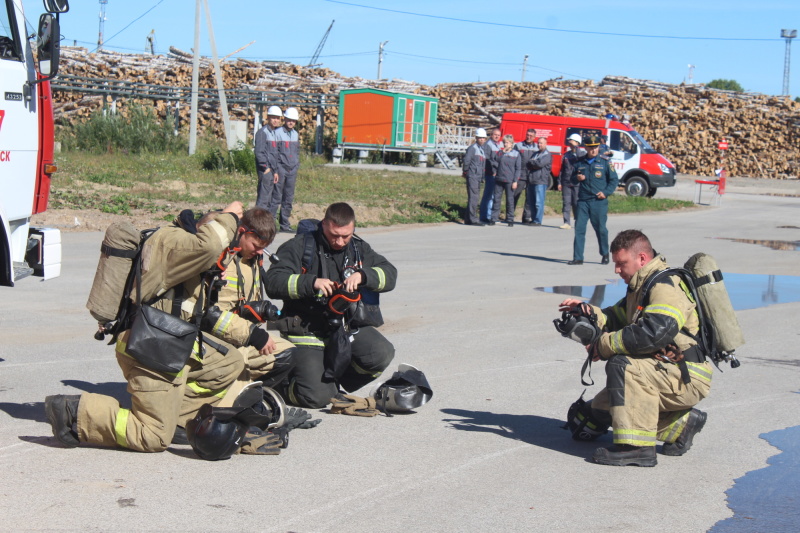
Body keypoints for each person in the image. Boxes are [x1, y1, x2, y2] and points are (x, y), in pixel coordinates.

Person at [45, 202, 249, 452]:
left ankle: (175, 418)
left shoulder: (188, 253)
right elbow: (209, 246)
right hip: (149, 347)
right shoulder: (173, 243)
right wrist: (230, 217)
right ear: (206, 229)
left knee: (228, 364)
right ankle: (75, 412)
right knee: (152, 437)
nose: (226, 257)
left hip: (171, 340)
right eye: (226, 247)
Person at [558, 229, 712, 467]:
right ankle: (682, 425)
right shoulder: (642, 286)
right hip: (664, 371)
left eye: (621, 263)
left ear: (642, 259)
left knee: (622, 365)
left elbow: (652, 334)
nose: (616, 270)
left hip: (686, 375)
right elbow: (614, 317)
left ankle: (636, 448)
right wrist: (588, 312)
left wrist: (603, 346)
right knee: (594, 414)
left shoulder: (665, 286)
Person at [265, 202, 397, 408]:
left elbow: (390, 274)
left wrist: (364, 275)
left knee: (381, 353)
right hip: (306, 329)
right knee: (317, 398)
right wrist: (310, 282)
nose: (340, 241)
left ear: (353, 228)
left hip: (342, 326)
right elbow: (273, 282)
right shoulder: (299, 246)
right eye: (334, 235)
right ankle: (281, 385)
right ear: (324, 224)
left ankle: (332, 384)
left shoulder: (357, 247)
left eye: (346, 235)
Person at [199, 207, 296, 394]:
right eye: (256, 246)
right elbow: (207, 314)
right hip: (214, 338)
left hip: (243, 335)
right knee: (235, 364)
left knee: (287, 353)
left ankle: (256, 399)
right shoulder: (219, 258)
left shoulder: (252, 260)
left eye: (264, 247)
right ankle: (238, 402)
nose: (260, 252)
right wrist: (252, 335)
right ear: (242, 232)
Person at [568, 134, 619, 265]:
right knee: (579, 229)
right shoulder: (579, 162)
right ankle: (578, 257)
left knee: (601, 229)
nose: (594, 150)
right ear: (585, 148)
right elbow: (572, 179)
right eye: (591, 148)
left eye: (596, 147)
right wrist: (577, 179)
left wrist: (606, 193)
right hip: (583, 200)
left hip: (598, 201)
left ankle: (605, 253)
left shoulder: (605, 161)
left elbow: (614, 180)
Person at [269, 107, 300, 233]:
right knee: (276, 197)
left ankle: (284, 224)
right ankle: (271, 224)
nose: (291, 122)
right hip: (281, 168)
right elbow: (274, 152)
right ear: (285, 119)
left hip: (292, 170)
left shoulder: (295, 134)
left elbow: (297, 151)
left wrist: (296, 165)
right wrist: (276, 169)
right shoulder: (277, 133)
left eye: (293, 120)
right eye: (289, 120)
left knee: (288, 197)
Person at [255, 106, 283, 210]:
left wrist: (275, 171)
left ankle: (266, 224)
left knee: (271, 200)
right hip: (266, 171)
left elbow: (274, 154)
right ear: (268, 118)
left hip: (273, 171)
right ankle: (257, 223)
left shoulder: (275, 133)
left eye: (278, 118)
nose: (276, 120)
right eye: (273, 118)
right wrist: (265, 168)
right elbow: (259, 152)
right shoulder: (263, 133)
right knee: (263, 200)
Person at [490, 134, 521, 227]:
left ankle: (510, 219)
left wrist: (515, 181)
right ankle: (494, 218)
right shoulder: (500, 152)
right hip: (499, 179)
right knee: (496, 199)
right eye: (504, 142)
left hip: (510, 180)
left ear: (511, 144)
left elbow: (518, 168)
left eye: (507, 142)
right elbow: (495, 162)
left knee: (510, 200)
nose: (505, 144)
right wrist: (495, 171)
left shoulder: (516, 154)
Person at [462, 128, 488, 226]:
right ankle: (473, 219)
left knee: (473, 197)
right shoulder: (472, 148)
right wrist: (465, 172)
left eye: (483, 138)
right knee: (474, 197)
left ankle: (468, 218)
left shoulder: (481, 150)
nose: (482, 139)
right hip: (472, 176)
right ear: (476, 138)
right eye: (480, 138)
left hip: (477, 177)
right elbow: (467, 161)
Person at [559, 133, 584, 230]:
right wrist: (559, 182)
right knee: (566, 202)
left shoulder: (581, 154)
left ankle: (578, 221)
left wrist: (576, 148)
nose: (569, 142)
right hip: (566, 182)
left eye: (572, 140)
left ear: (577, 142)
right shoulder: (566, 155)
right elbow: (562, 169)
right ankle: (566, 222)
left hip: (577, 183)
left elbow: (580, 159)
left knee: (576, 203)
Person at [514, 129, 538, 225]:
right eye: (527, 135)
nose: (529, 137)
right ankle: (510, 215)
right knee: (515, 195)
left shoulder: (537, 147)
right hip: (520, 174)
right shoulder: (519, 146)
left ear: (534, 137)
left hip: (531, 175)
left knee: (529, 197)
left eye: (531, 135)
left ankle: (526, 217)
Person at [479, 128, 503, 223]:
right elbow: (488, 160)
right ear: (491, 135)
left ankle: (488, 215)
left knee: (492, 195)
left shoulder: (497, 145)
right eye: (495, 134)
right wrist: (494, 169)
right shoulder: (488, 145)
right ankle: (485, 216)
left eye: (498, 135)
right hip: (490, 173)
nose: (497, 136)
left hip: (496, 173)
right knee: (488, 195)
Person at [527, 137, 552, 226]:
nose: (539, 144)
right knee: (532, 202)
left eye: (541, 143)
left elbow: (540, 164)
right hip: (532, 180)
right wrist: (534, 162)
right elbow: (528, 163)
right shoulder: (535, 154)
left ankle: (538, 220)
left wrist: (534, 163)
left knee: (539, 203)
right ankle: (533, 219)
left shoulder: (547, 155)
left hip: (540, 181)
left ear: (545, 144)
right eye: (538, 143)